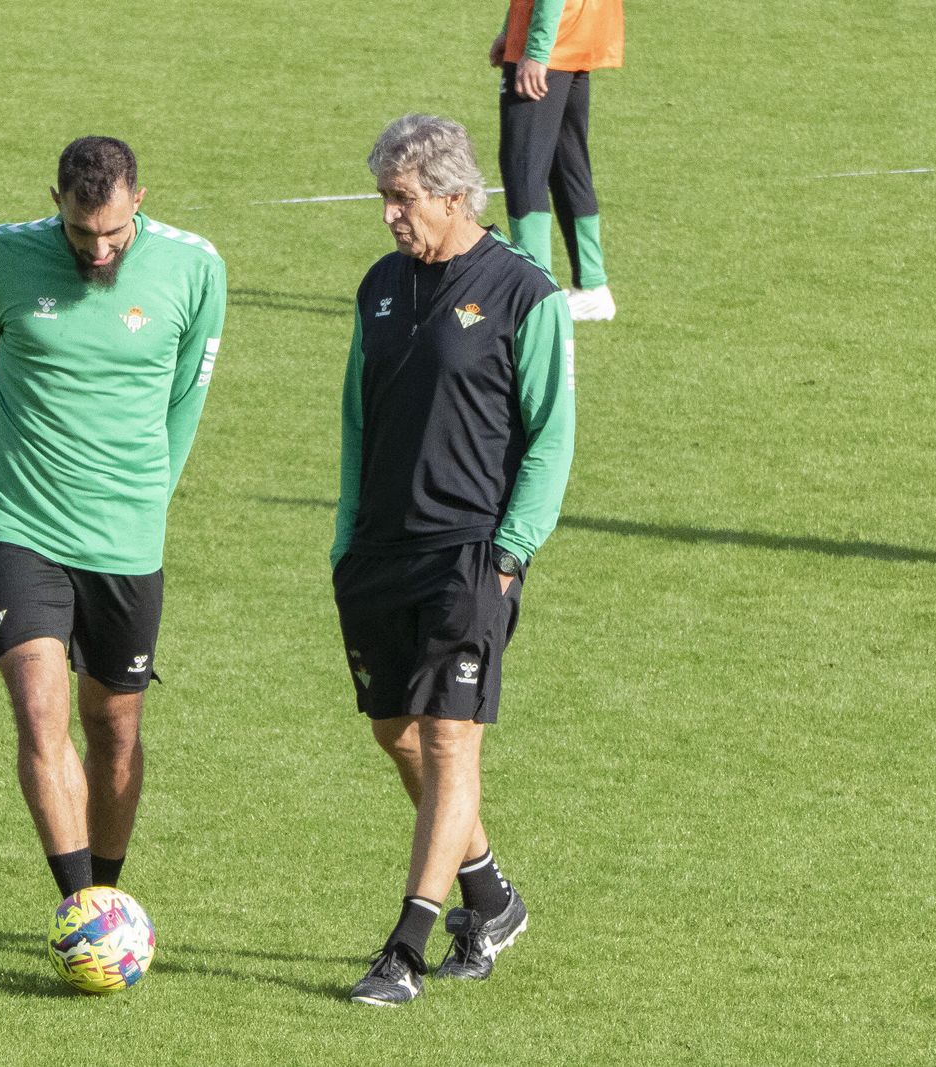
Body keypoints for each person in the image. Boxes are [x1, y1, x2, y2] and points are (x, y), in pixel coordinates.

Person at [0, 136, 226, 904]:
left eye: (112, 232)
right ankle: (81, 907)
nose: (97, 250)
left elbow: (186, 401)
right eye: (79, 232)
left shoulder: (197, 268)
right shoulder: (2, 257)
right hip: (17, 515)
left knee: (115, 727)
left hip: (125, 531)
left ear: (140, 198)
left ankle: (109, 889)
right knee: (40, 715)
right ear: (56, 202)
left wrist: (148, 496)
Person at [333, 114, 575, 1006]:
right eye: (384, 199)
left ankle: (405, 946)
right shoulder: (380, 287)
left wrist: (511, 552)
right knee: (396, 733)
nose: (390, 216)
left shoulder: (523, 293)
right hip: (379, 551)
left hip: (471, 552)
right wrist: (344, 538)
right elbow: (359, 418)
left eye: (402, 200)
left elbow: (552, 436)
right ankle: (491, 895)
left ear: (455, 194)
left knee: (447, 738)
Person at [489, 0, 624, 321]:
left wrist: (535, 50)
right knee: (567, 164)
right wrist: (510, 29)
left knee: (522, 167)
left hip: (551, 41)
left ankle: (536, 299)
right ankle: (592, 288)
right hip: (576, 36)